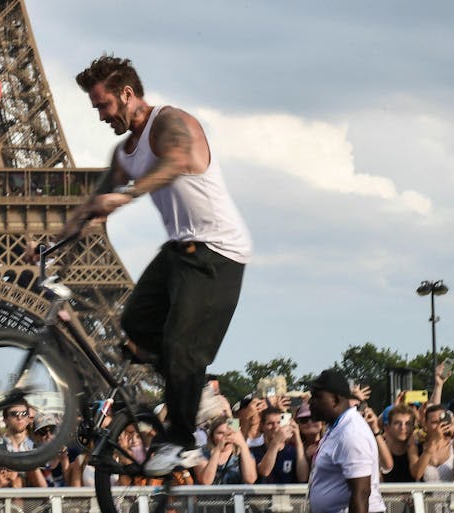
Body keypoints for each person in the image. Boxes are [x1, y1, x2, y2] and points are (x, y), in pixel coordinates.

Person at [28, 56, 251, 476]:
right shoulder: (123, 154)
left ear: (127, 94)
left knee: (181, 344)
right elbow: (92, 206)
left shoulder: (170, 123)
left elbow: (176, 161)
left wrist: (127, 195)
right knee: (134, 325)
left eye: (104, 105)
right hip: (180, 251)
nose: (100, 115)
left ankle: (183, 441)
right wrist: (51, 245)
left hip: (217, 252)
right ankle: (192, 389)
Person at [307, 369, 386, 513]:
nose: (311, 402)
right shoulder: (338, 427)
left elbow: (361, 492)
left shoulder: (351, 433)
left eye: (317, 396)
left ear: (335, 400)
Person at [252, 407, 307, 483]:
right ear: (262, 426)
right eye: (270, 423)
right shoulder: (254, 451)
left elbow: (303, 478)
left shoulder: (292, 451)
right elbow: (264, 472)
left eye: (279, 423)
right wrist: (276, 442)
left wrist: (297, 438)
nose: (275, 427)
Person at [408, 405, 454, 482]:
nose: (439, 426)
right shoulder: (416, 447)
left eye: (442, 421)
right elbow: (417, 474)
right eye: (435, 422)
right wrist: (433, 442)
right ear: (426, 424)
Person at [196, 416, 256, 485]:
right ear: (212, 436)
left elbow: (250, 479)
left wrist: (242, 445)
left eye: (230, 433)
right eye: (220, 433)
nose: (226, 436)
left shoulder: (244, 452)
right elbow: (206, 481)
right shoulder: (202, 453)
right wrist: (217, 450)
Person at [377, 405, 417, 482]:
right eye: (397, 423)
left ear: (413, 427)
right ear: (387, 427)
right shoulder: (378, 451)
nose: (403, 427)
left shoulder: (419, 451)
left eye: (408, 423)